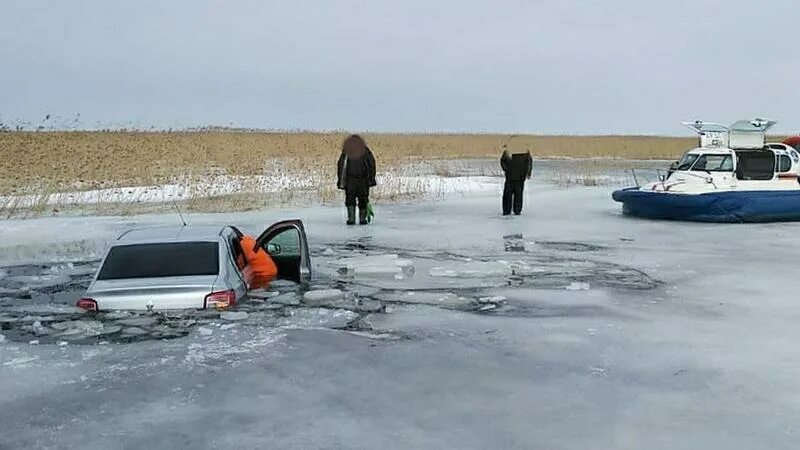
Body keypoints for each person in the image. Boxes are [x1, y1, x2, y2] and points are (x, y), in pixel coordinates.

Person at [337, 134, 377, 225]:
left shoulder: (363, 152)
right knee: (356, 199)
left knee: (360, 199)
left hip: (359, 180)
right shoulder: (362, 151)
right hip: (353, 180)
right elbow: (341, 166)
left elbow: (341, 167)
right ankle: (356, 219)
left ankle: (356, 219)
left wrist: (371, 179)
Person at [500, 145, 533, 215]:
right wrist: (507, 170)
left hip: (520, 177)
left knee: (518, 195)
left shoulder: (525, 150)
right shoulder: (508, 150)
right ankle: (507, 211)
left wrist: (528, 173)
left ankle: (517, 210)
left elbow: (529, 162)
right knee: (507, 194)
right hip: (510, 177)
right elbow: (502, 161)